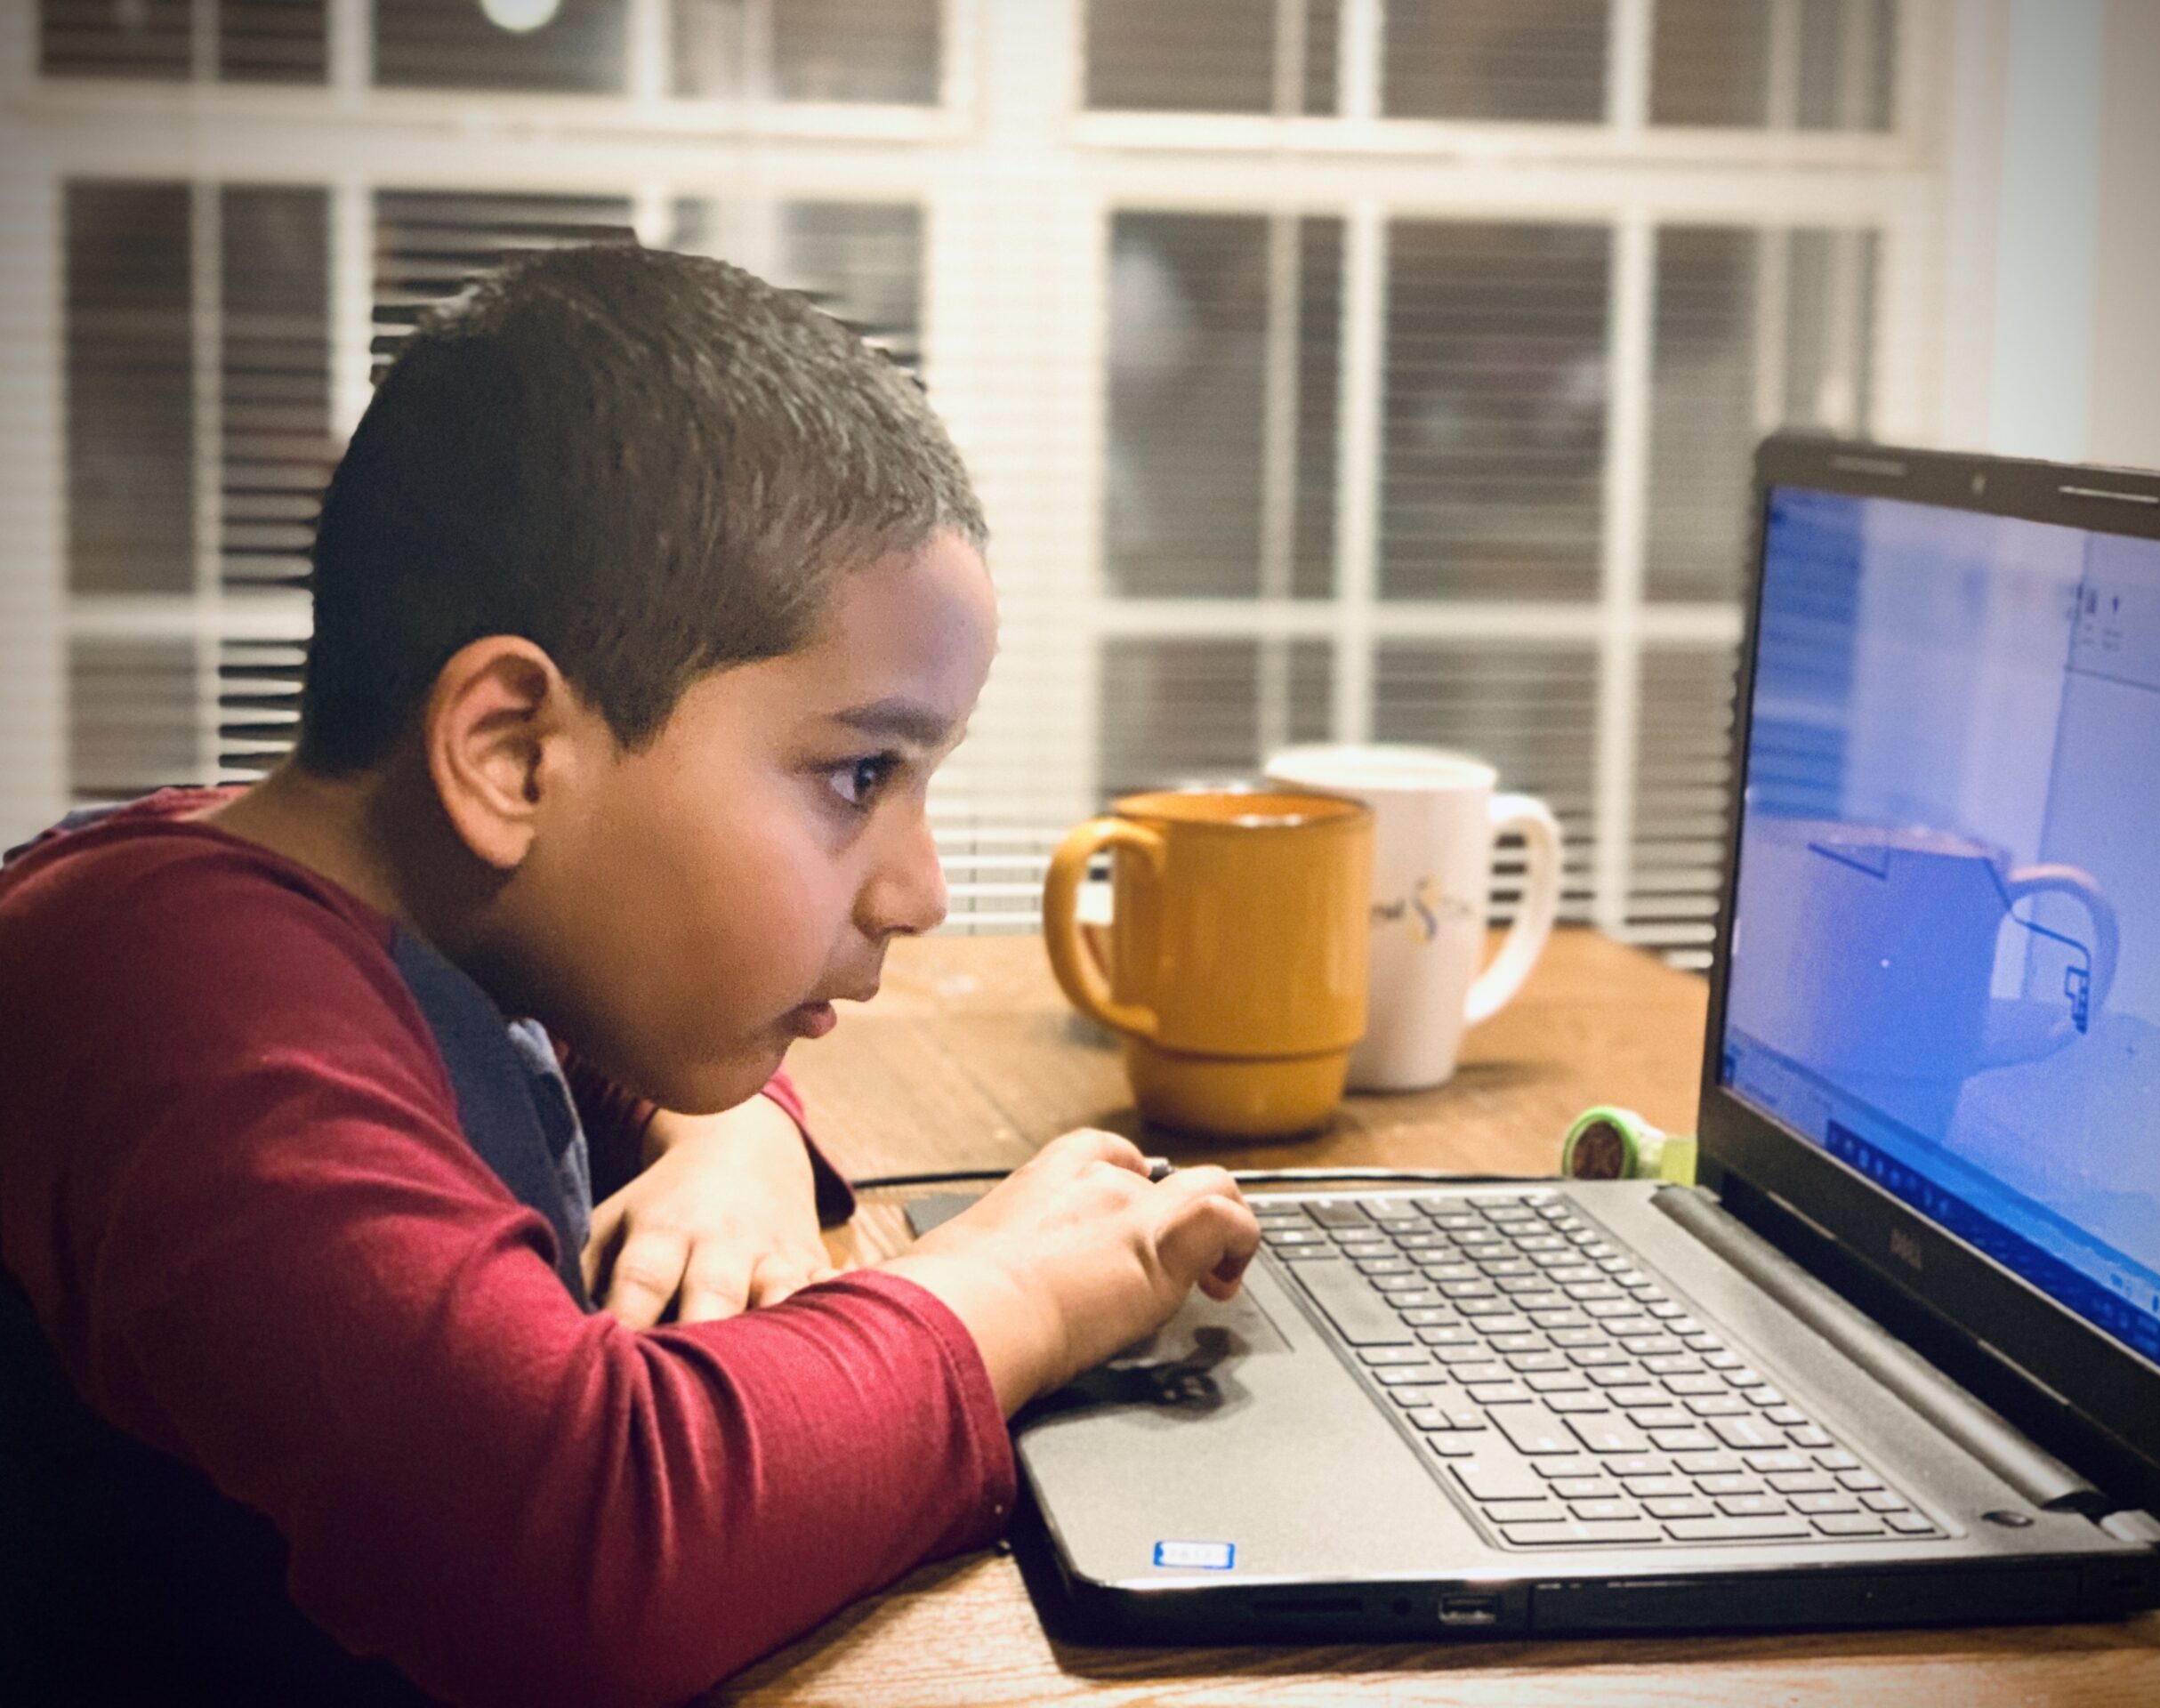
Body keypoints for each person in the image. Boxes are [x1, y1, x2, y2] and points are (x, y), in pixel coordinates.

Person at [0, 245, 1261, 1708]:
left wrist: (729, 1133)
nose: (919, 893)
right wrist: (1014, 1297)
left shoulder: (376, 907)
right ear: (515, 752)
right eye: (860, 774)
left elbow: (571, 1021)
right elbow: (585, 1547)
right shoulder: (176, 1002)